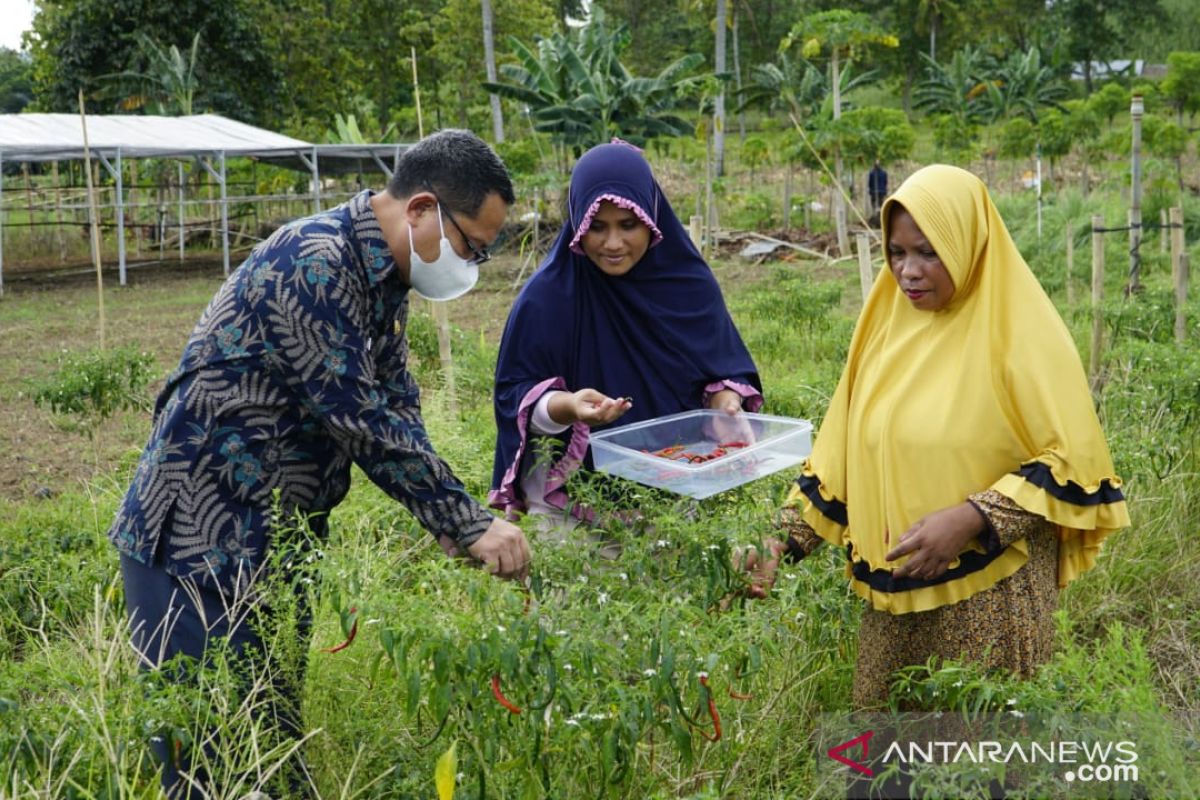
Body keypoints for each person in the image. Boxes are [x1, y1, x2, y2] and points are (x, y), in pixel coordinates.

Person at [108, 129, 531, 797]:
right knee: (207, 763)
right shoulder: (314, 262)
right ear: (421, 208)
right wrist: (470, 522)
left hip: (272, 544)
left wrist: (451, 524)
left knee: (268, 748)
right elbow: (360, 419)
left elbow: (398, 407)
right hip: (194, 545)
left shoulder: (383, 283)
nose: (472, 263)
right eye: (472, 245)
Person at [743, 164, 1130, 709]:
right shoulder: (884, 328)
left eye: (928, 251)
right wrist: (780, 541)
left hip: (991, 595)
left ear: (967, 243)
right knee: (891, 757)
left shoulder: (1020, 334)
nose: (908, 272)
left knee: (982, 757)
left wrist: (971, 517)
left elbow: (1070, 462)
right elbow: (841, 451)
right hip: (896, 595)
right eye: (897, 253)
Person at [490, 140, 762, 524]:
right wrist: (567, 406)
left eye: (628, 225)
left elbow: (722, 366)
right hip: (573, 507)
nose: (613, 244)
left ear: (652, 219)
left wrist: (725, 401)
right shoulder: (549, 298)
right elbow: (513, 398)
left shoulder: (689, 285)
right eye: (597, 227)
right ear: (577, 223)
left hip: (678, 498)